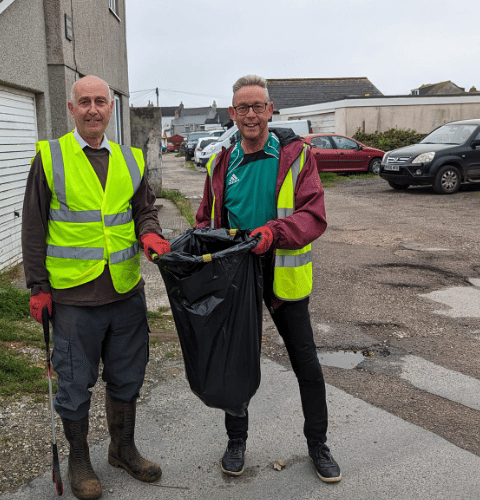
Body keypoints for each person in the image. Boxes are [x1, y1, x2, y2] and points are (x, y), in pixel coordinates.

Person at [22, 75, 170, 500]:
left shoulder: (130, 159)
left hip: (125, 292)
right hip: (72, 298)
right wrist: (38, 287)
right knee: (73, 383)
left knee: (127, 377)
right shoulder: (51, 158)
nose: (92, 109)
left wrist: (151, 235)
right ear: (71, 109)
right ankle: (80, 460)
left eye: (100, 102)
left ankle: (123, 449)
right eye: (83, 102)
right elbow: (33, 227)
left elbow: (143, 210)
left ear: (110, 109)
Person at [195, 75, 341, 483]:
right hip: (237, 272)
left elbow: (314, 215)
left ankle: (318, 445)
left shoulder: (296, 156)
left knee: (306, 364)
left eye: (259, 106)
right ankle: (236, 441)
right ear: (233, 114)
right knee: (234, 361)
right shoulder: (220, 162)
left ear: (271, 110)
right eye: (243, 108)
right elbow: (207, 217)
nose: (252, 115)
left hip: (282, 272)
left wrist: (274, 233)